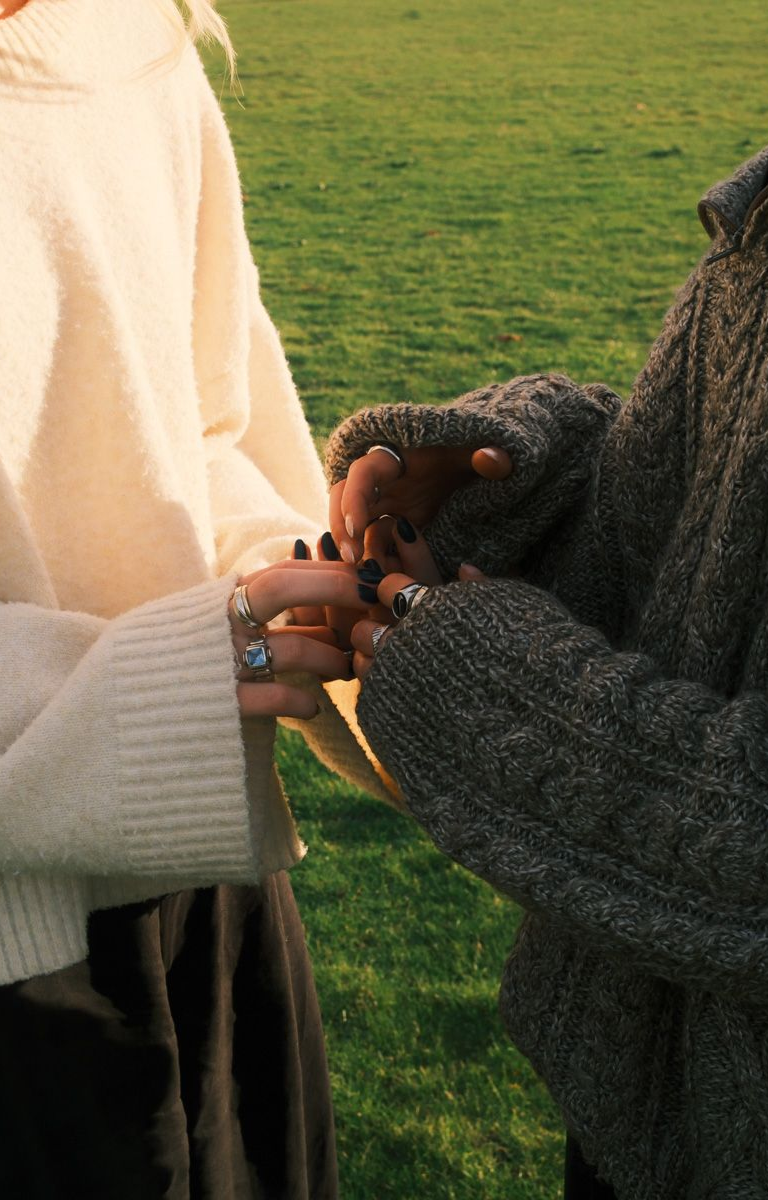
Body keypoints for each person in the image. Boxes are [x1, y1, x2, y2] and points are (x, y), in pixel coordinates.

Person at [0, 0, 401, 1195]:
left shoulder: (137, 38)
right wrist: (188, 678)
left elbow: (201, 419)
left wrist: (307, 585)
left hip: (203, 877)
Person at [325, 146, 768, 1199]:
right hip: (646, 1109)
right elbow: (688, 572)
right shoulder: (755, 229)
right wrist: (509, 480)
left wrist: (464, 673)